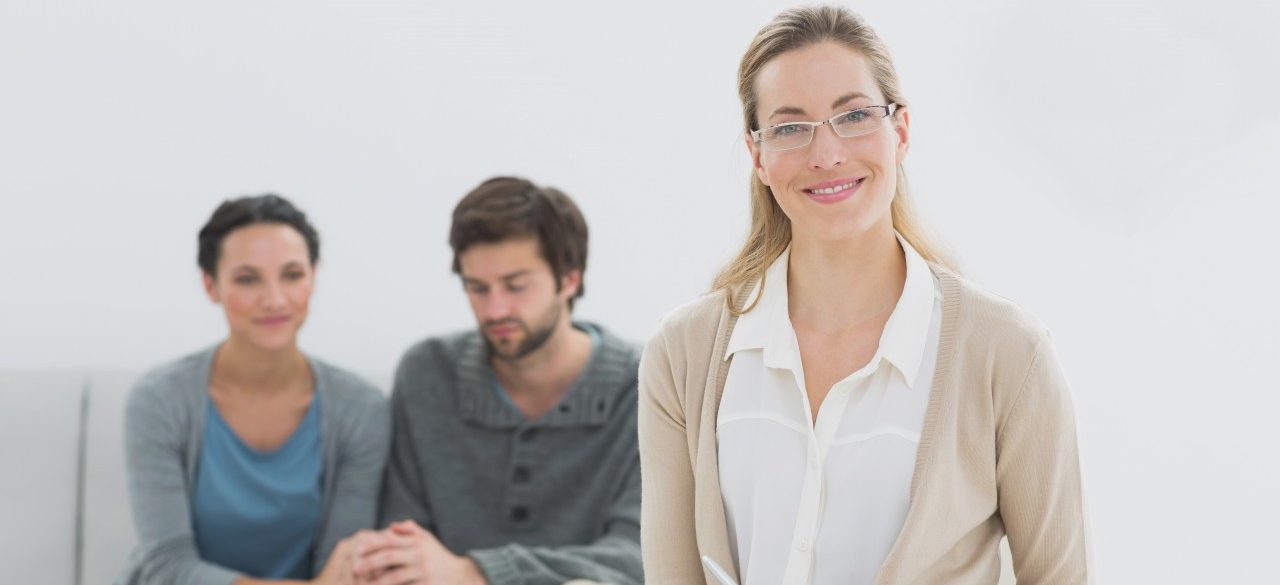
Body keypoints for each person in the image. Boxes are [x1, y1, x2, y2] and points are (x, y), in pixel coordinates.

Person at [638, 6, 1091, 585]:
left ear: (900, 132)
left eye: (853, 116)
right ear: (758, 156)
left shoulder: (1007, 353)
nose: (826, 154)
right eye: (790, 127)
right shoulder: (683, 354)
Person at [352, 177, 643, 585]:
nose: (495, 309)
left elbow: (641, 560)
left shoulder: (643, 384)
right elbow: (401, 547)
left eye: (516, 286)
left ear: (570, 279)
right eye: (477, 288)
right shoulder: (427, 373)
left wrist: (473, 573)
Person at [117, 195, 390, 585]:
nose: (274, 299)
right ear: (211, 285)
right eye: (248, 279)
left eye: (292, 275)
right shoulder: (159, 400)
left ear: (313, 278)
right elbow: (168, 568)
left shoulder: (361, 408)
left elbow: (344, 562)